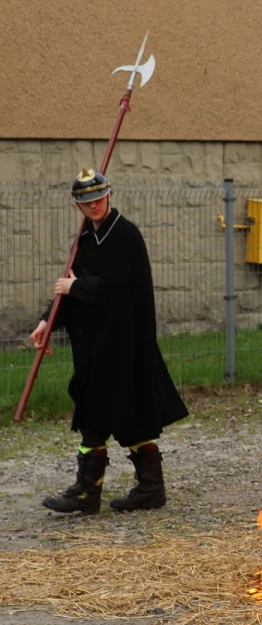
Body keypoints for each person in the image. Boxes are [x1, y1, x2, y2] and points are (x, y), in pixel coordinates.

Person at [30, 168, 189, 515]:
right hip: (94, 345)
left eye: (99, 199)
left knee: (129, 415)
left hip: (124, 343)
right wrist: (48, 320)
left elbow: (120, 287)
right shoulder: (85, 238)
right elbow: (69, 283)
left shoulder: (126, 236)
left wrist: (78, 288)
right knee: (93, 414)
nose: (94, 206)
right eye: (87, 201)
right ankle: (91, 492)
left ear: (110, 196)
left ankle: (147, 488)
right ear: (78, 205)